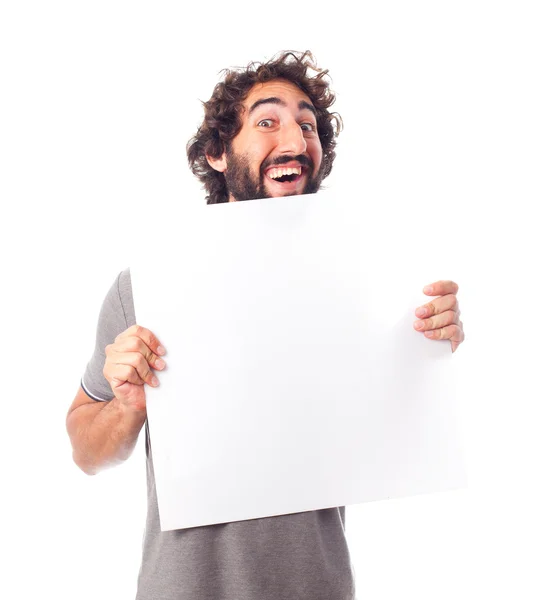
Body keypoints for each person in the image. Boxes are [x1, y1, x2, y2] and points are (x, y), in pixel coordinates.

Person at [66, 50, 465, 600]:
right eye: (268, 121)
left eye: (308, 126)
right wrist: (129, 405)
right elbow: (85, 451)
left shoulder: (365, 283)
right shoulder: (144, 287)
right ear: (216, 153)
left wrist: (429, 348)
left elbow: (397, 429)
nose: (297, 141)